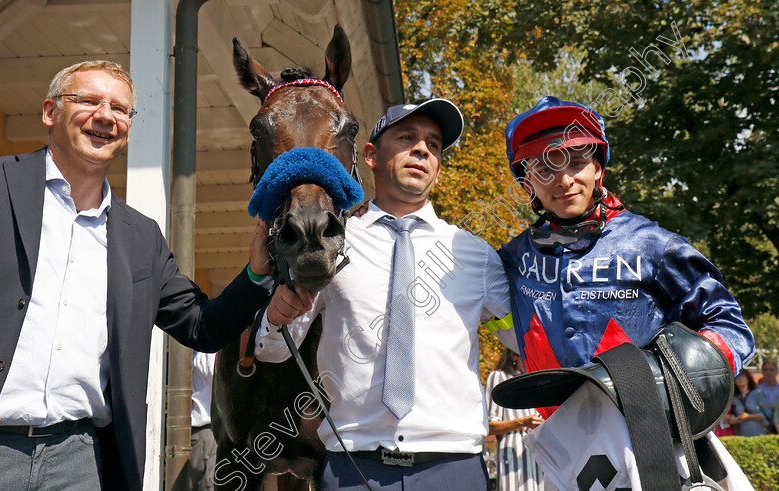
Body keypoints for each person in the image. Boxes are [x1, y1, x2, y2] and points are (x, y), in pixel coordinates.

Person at [0, 60, 270, 489]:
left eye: (120, 109)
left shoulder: (140, 237)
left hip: (81, 461)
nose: (105, 116)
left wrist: (257, 275)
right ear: (49, 112)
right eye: (88, 100)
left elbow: (201, 326)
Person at [255, 99, 516, 490]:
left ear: (439, 169)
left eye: (433, 144)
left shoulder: (475, 255)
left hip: (454, 468)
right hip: (354, 470)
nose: (422, 150)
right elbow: (272, 349)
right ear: (371, 155)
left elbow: (522, 338)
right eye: (407, 138)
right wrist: (276, 317)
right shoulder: (328, 242)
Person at [496, 96, 755, 486]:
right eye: (545, 168)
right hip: (565, 458)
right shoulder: (510, 259)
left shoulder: (653, 243)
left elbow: (732, 328)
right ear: (526, 181)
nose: (564, 180)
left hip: (659, 443)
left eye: (576, 162)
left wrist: (676, 386)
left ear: (598, 167)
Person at [485, 349, 544, 491]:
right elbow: (489, 426)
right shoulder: (499, 377)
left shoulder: (535, 380)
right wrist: (522, 422)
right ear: (514, 356)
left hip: (537, 452)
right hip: (513, 452)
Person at [189, 352, 218, 491]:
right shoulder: (203, 354)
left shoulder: (208, 353)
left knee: (208, 485)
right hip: (203, 431)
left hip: (208, 429)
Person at [730, 368, 772, 436]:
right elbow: (732, 415)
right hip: (741, 437)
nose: (740, 378)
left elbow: (768, 414)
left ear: (748, 378)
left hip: (759, 435)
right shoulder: (734, 398)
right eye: (738, 376)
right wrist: (732, 419)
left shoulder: (758, 394)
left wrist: (749, 417)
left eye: (743, 376)